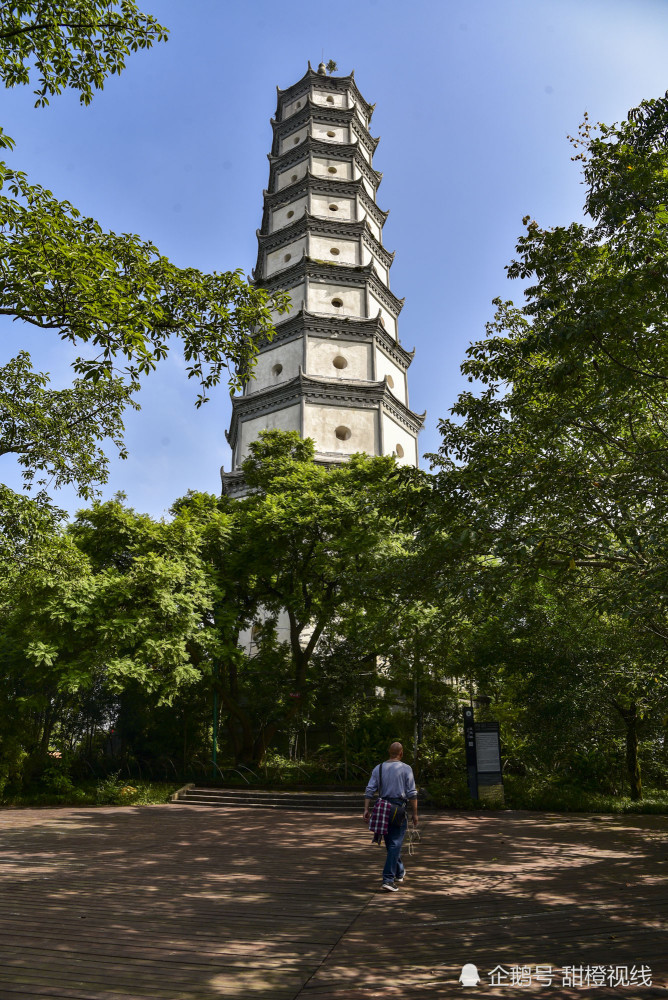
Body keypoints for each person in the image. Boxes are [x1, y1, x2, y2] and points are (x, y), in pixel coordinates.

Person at [363, 741, 418, 892]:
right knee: (394, 844)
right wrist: (415, 813)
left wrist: (366, 809)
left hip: (382, 808)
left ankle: (399, 871)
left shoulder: (378, 768)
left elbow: (369, 789)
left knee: (391, 844)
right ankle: (388, 879)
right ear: (401, 753)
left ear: (389, 752)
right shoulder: (406, 768)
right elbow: (412, 793)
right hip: (398, 809)